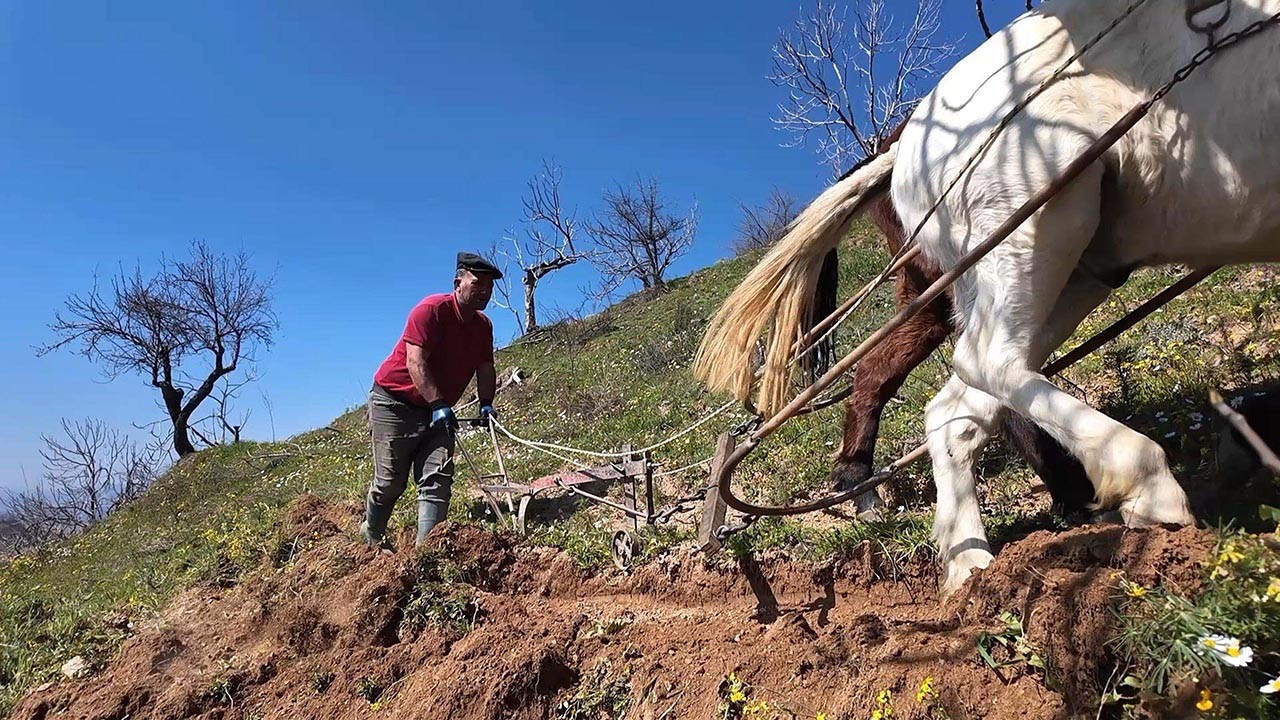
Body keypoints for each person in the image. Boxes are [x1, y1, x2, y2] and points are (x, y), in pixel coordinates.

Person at [360, 252, 501, 547]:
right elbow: (416, 362)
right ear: (458, 283)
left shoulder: (483, 327)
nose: (485, 291)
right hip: (395, 403)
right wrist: (438, 404)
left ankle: (426, 552)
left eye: (490, 286)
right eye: (478, 283)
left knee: (437, 479)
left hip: (439, 411)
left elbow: (485, 367)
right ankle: (371, 536)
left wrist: (486, 402)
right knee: (390, 482)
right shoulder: (430, 311)